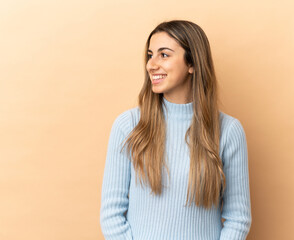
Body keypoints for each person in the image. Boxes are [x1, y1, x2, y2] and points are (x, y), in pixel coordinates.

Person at [100, 20, 252, 240]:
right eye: (150, 55)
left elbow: (238, 218)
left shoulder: (228, 131)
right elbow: (111, 215)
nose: (151, 65)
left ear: (193, 64)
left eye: (164, 55)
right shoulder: (129, 125)